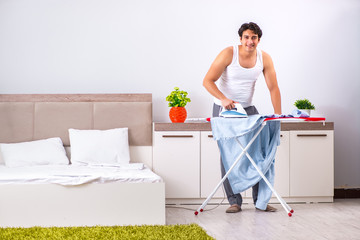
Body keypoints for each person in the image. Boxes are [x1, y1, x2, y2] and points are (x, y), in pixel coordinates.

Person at [202, 22, 281, 213]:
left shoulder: (265, 58)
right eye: (246, 37)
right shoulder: (229, 54)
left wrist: (278, 116)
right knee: (229, 155)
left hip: (247, 109)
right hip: (225, 109)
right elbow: (207, 80)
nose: (250, 41)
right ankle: (234, 201)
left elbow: (273, 88)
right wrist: (223, 99)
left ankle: (260, 201)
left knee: (259, 154)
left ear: (258, 40)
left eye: (254, 38)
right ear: (241, 39)